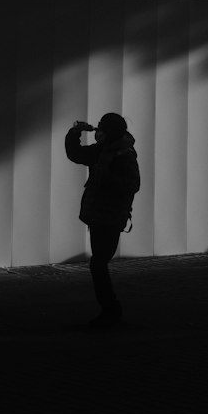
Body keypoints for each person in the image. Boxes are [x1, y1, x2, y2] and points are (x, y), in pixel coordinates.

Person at [64, 113, 140, 327]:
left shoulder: (124, 154)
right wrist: (75, 132)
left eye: (102, 128)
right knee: (98, 262)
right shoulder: (102, 151)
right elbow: (76, 154)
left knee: (98, 263)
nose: (98, 132)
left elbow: (132, 184)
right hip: (99, 215)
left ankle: (111, 310)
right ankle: (110, 310)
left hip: (110, 216)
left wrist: (106, 176)